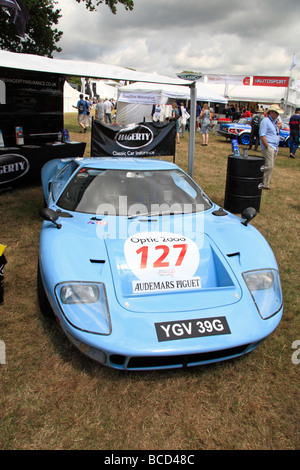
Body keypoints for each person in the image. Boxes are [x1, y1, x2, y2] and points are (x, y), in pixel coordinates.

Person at [259, 104, 284, 190]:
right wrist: (267, 147)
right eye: (276, 113)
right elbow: (262, 135)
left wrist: (279, 128)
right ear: (272, 112)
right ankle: (260, 181)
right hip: (269, 146)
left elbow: (276, 133)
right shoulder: (265, 121)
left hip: (275, 146)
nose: (278, 115)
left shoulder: (274, 122)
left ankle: (266, 184)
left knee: (271, 166)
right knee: (268, 166)